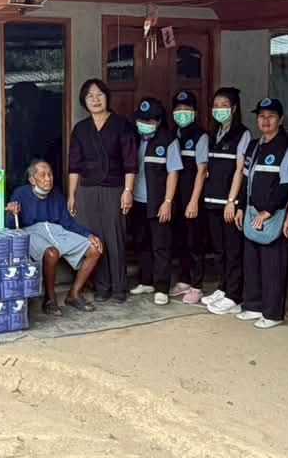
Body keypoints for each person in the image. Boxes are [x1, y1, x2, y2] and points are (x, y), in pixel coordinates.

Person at [67, 79, 138, 303]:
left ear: (107, 97)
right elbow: (74, 166)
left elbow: (130, 162)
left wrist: (128, 190)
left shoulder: (121, 125)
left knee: (115, 237)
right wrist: (72, 195)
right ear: (84, 101)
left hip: (114, 189)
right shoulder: (80, 129)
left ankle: (119, 288)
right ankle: (101, 286)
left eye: (99, 95)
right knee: (95, 238)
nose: (95, 99)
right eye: (90, 96)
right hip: (87, 190)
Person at [232, 98, 288, 328]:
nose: (265, 120)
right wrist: (241, 207)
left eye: (271, 116)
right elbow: (246, 179)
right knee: (252, 262)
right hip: (251, 213)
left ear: (281, 120)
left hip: (274, 215)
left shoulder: (287, 147)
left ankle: (272, 313)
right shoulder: (254, 145)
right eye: (261, 116)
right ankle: (253, 306)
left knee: (273, 266)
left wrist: (268, 211)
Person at [6, 160, 104, 314]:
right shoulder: (21, 193)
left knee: (95, 248)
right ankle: (50, 299)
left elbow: (68, 222)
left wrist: (88, 234)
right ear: (32, 180)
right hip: (31, 231)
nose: (48, 179)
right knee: (52, 253)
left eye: (50, 175)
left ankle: (74, 294)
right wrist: (12, 213)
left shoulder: (56, 194)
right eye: (43, 175)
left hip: (56, 230)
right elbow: (12, 226)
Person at [127, 97, 182, 306]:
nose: (144, 124)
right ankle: (146, 281)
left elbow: (173, 173)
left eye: (149, 120)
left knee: (161, 246)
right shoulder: (134, 139)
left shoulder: (168, 140)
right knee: (142, 243)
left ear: (158, 121)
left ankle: (161, 287)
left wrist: (168, 201)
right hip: (138, 201)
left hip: (159, 203)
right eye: (141, 120)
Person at [202, 88, 251, 315]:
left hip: (228, 202)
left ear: (234, 108)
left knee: (233, 251)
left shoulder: (243, 134)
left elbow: (240, 170)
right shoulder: (215, 133)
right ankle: (223, 288)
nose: (219, 109)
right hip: (212, 200)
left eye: (224, 105)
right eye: (216, 105)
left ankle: (234, 294)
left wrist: (232, 200)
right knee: (219, 250)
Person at [168, 90, 209, 305]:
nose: (182, 113)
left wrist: (194, 201)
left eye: (187, 109)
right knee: (181, 240)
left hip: (193, 197)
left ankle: (197, 285)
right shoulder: (172, 134)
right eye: (178, 109)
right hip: (177, 197)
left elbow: (202, 171)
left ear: (194, 112)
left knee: (195, 242)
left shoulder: (200, 136)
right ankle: (184, 280)